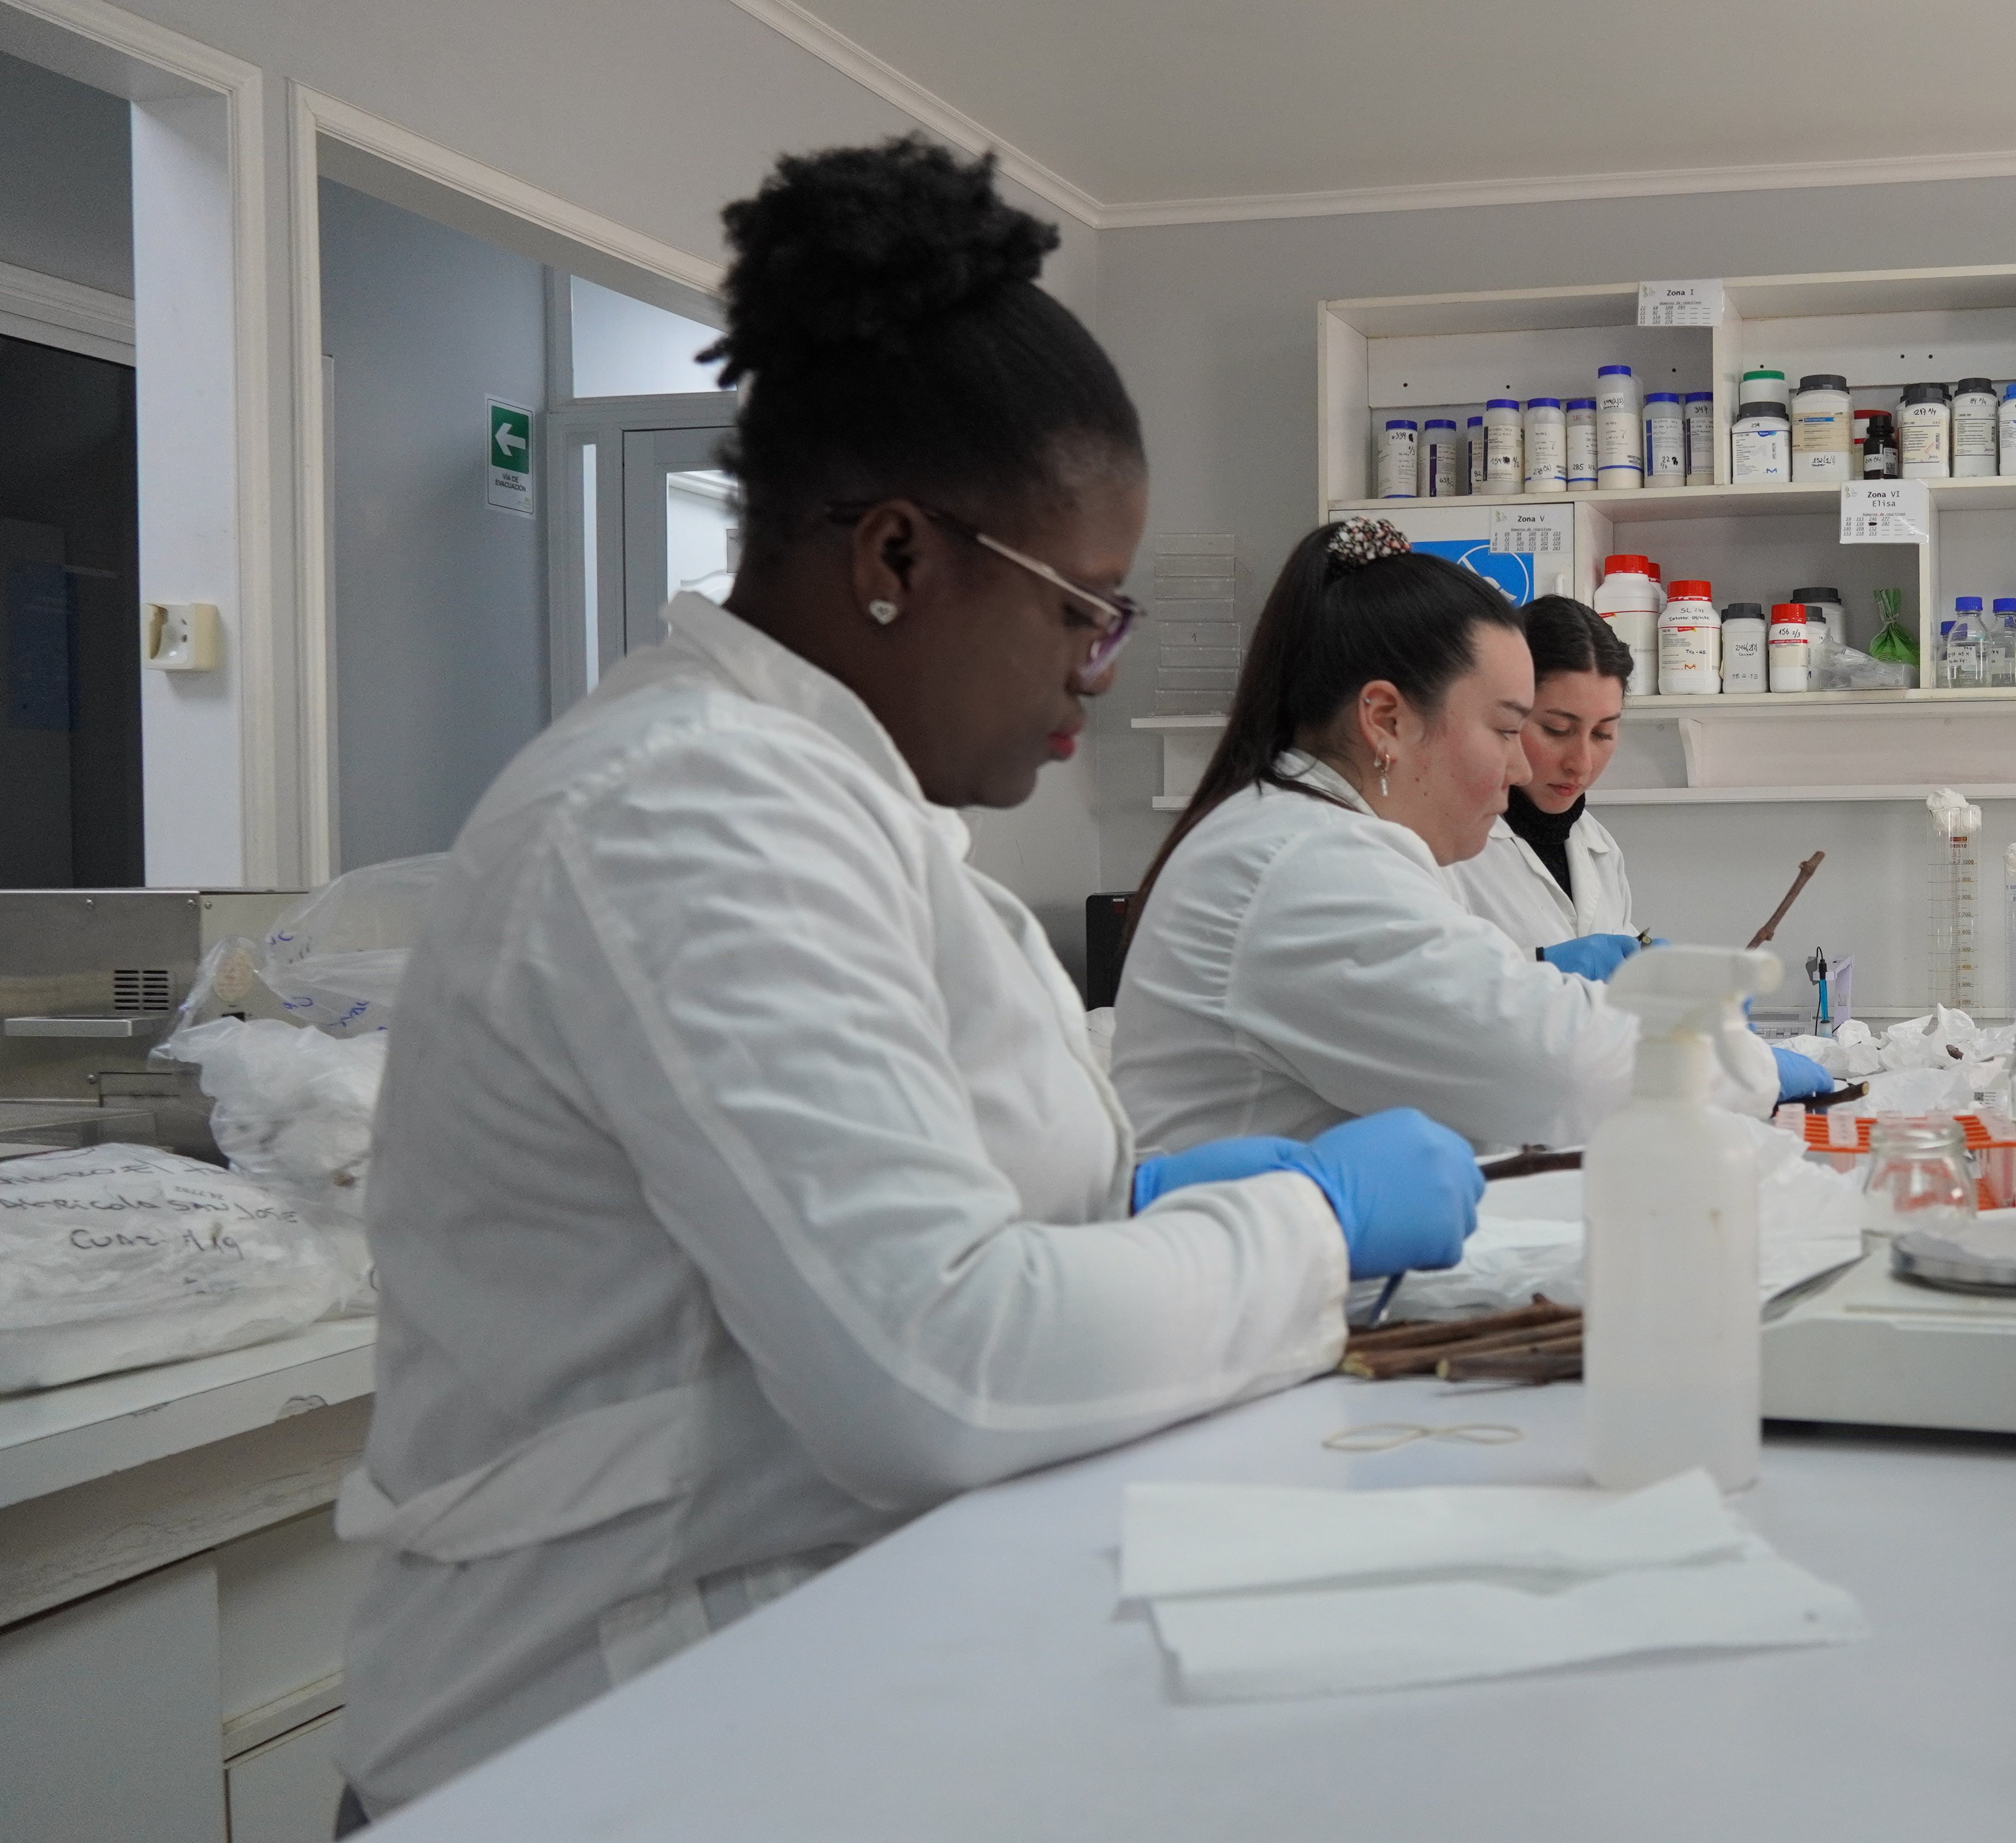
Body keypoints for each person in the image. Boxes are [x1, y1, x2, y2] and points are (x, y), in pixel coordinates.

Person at [331, 142, 1479, 1826]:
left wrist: (1126, 1206)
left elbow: (887, 1229)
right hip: (590, 1747)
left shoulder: (832, 803)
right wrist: (1304, 1225)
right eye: (1083, 612)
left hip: (787, 1694)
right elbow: (938, 1368)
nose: (1097, 671)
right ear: (894, 555)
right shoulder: (684, 812)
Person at [1110, 520, 1832, 1156]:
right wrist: (1749, 1069)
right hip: (1262, 1288)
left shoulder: (1305, 836)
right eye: (1507, 729)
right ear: (1387, 720)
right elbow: (1554, 1065)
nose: (1521, 765)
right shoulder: (1306, 863)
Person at [1446, 596, 1638, 954]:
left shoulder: (1600, 846)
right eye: (1556, 729)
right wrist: (1541, 968)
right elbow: (1430, 988)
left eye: (1602, 734)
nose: (1581, 764)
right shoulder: (1446, 845)